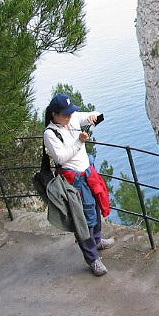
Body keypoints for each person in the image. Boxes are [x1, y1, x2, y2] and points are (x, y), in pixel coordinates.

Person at [43, 93, 114, 276]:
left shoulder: (73, 119)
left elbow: (97, 115)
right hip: (74, 181)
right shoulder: (50, 134)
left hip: (88, 175)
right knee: (82, 219)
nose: (69, 117)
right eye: (65, 115)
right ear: (54, 115)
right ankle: (92, 259)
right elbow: (60, 157)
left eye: (70, 113)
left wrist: (94, 117)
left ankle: (97, 241)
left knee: (96, 208)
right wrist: (79, 142)